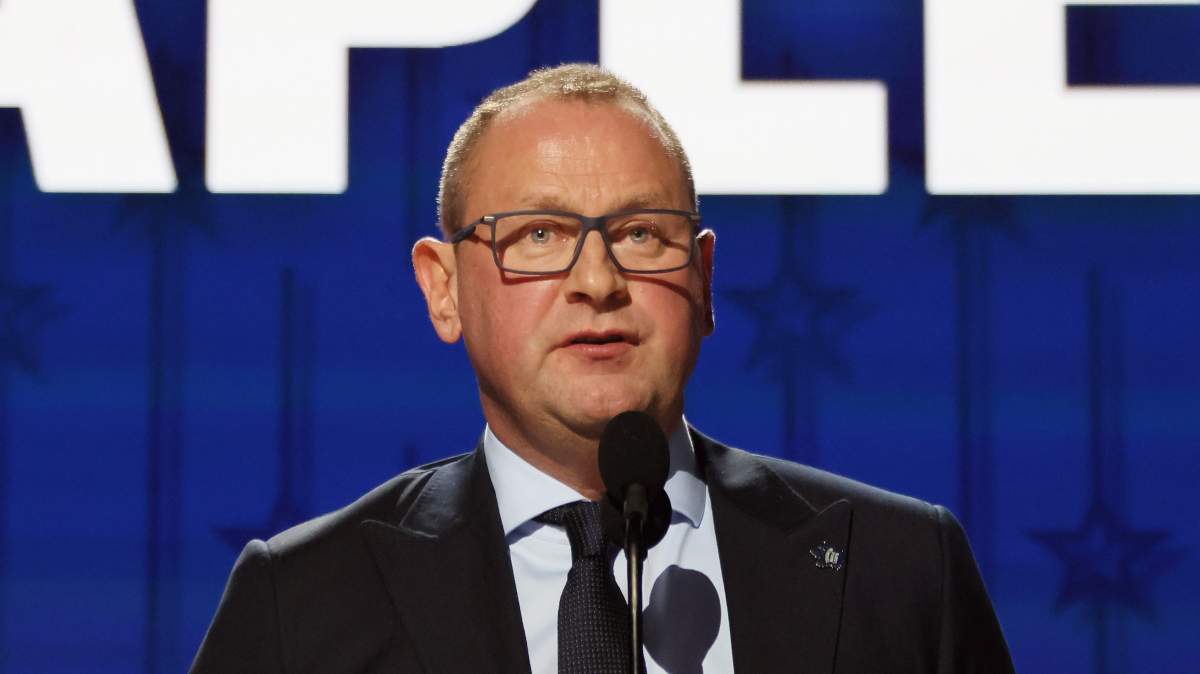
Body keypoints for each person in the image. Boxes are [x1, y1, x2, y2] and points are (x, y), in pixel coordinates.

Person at [191, 63, 1014, 673]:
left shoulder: (902, 570)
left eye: (641, 234)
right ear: (444, 290)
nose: (598, 281)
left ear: (704, 280)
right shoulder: (301, 602)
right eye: (538, 235)